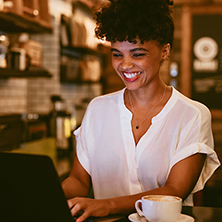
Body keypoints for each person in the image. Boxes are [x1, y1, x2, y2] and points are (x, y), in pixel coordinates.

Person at [62, 0, 220, 221]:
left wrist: (106, 206)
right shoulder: (97, 109)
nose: (125, 65)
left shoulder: (192, 115)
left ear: (164, 52)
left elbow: (175, 191)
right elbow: (79, 180)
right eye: (117, 54)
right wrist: (49, 193)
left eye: (137, 54)